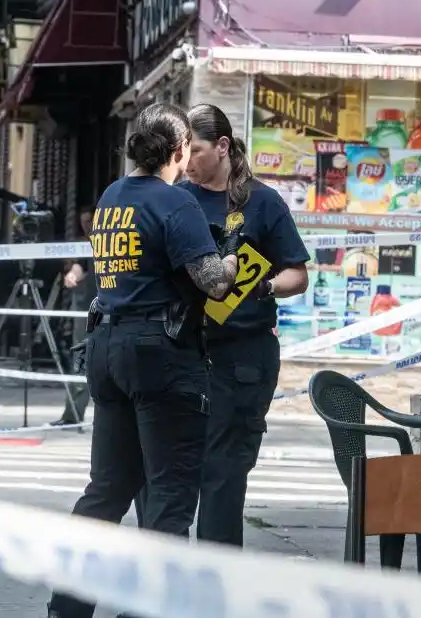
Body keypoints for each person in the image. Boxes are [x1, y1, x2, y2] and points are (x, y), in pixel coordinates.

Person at [46, 103, 241, 618]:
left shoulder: (112, 198)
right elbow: (212, 281)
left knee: (107, 490)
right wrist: (232, 259)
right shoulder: (175, 204)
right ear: (178, 151)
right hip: (161, 355)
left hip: (108, 350)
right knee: (171, 498)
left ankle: (65, 607)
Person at [182, 103, 311, 547]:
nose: (188, 162)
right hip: (184, 350)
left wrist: (264, 288)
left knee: (223, 475)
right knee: (174, 471)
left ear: (222, 147)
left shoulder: (261, 201)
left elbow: (299, 274)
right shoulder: (179, 198)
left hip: (242, 355)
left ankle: (215, 588)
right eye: (183, 152)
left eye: (195, 151)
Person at [52, 204, 96, 426]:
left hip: (110, 310)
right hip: (85, 313)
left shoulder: (109, 241)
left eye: (90, 221)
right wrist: (72, 275)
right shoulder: (85, 245)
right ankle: (72, 415)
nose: (86, 226)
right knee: (80, 361)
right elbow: (79, 266)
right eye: (83, 222)